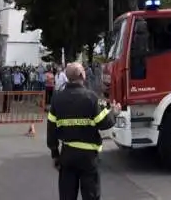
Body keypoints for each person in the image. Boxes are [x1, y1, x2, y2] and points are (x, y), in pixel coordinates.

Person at [47, 62, 121, 200]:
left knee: (67, 195)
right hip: (88, 157)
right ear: (82, 75)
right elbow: (104, 123)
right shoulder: (91, 98)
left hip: (67, 154)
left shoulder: (57, 99)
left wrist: (55, 154)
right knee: (91, 195)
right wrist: (114, 113)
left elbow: (51, 129)